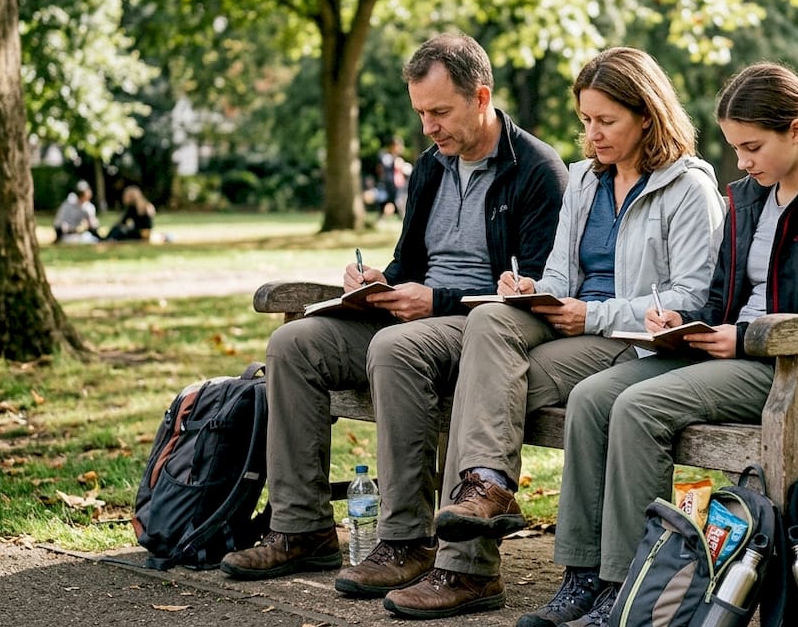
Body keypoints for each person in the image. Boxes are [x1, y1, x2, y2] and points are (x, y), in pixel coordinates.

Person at [522, 62, 798, 627]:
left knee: (640, 406)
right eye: (735, 147)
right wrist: (682, 324)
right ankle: (584, 575)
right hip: (734, 355)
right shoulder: (748, 197)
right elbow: (720, 297)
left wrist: (746, 340)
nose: (741, 162)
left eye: (753, 147)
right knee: (592, 398)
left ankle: (630, 591)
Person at [370, 47, 726, 620]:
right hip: (571, 328)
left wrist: (594, 315)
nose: (593, 135)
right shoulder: (585, 181)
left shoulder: (688, 189)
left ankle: (469, 568)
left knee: (479, 386)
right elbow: (560, 274)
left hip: (632, 343)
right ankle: (486, 489)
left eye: (606, 121)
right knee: (490, 322)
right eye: (586, 120)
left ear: (647, 116)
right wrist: (530, 287)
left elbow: (692, 297)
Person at [218, 34, 568, 591]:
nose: (428, 127)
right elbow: (411, 262)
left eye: (439, 112)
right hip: (416, 317)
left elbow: (537, 292)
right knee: (294, 344)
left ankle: (407, 540)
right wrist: (378, 281)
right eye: (421, 113)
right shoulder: (432, 166)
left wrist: (437, 300)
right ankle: (301, 528)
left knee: (394, 347)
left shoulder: (536, 170)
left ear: (481, 97)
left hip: (480, 328)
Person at [376, 136, 412, 217]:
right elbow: (384, 169)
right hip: (389, 186)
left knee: (395, 204)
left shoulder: (398, 158)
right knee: (391, 204)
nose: (401, 148)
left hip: (399, 187)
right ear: (393, 146)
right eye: (399, 146)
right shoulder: (385, 156)